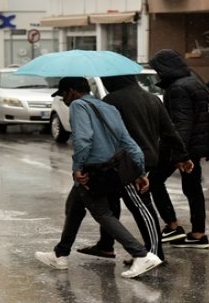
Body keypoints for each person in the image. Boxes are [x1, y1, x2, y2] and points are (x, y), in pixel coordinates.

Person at [35, 77, 162, 278]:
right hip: (112, 169)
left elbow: (83, 139)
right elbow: (127, 140)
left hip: (92, 171)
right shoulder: (107, 106)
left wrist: (78, 167)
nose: (63, 100)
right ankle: (60, 253)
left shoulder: (78, 105)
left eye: (62, 95)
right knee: (74, 207)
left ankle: (141, 254)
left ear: (71, 91)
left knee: (102, 213)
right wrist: (139, 171)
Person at [77, 75, 194, 263]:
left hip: (127, 162)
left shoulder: (112, 100)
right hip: (144, 157)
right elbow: (169, 130)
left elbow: (101, 134)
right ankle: (106, 245)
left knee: (141, 206)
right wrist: (182, 156)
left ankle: (154, 254)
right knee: (112, 200)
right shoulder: (152, 98)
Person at [147, 49, 209, 248]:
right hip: (195, 145)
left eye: (158, 69)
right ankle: (198, 234)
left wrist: (181, 155)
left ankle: (173, 226)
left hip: (179, 147)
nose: (157, 73)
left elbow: (182, 124)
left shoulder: (177, 88)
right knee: (193, 189)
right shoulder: (193, 82)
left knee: (154, 181)